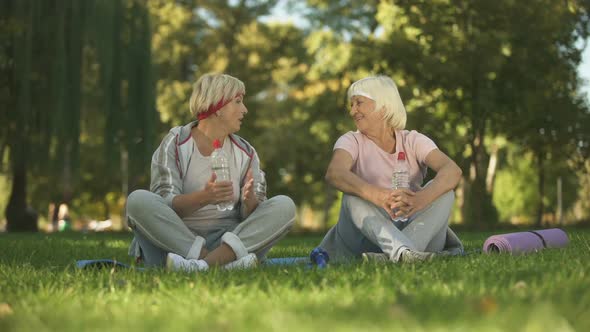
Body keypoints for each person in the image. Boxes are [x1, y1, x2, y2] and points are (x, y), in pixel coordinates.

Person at [126, 73, 296, 272]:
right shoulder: (176, 142)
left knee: (285, 205)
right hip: (177, 240)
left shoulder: (246, 152)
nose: (245, 110)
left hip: (229, 240)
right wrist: (205, 197)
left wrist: (250, 201)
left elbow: (254, 215)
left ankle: (199, 266)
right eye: (238, 102)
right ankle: (218, 264)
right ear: (217, 107)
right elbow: (165, 202)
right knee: (137, 200)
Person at [318, 75, 464, 263]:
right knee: (351, 196)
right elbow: (335, 174)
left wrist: (420, 200)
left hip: (413, 229)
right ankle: (403, 253)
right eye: (351, 105)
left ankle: (398, 255)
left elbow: (452, 170)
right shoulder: (350, 141)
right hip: (365, 239)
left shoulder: (413, 140)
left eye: (359, 103)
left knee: (446, 193)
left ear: (383, 106)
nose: (353, 111)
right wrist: (379, 196)